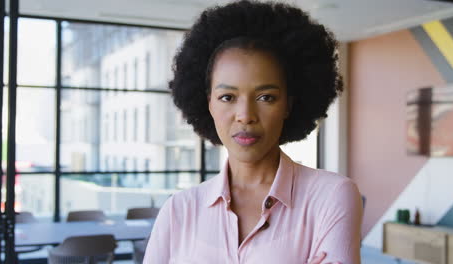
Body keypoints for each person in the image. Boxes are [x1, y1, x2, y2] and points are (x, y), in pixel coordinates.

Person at [144, 1, 362, 263]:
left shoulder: (332, 196)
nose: (246, 115)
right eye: (227, 97)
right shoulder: (178, 210)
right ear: (208, 103)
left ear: (288, 105)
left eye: (266, 97)